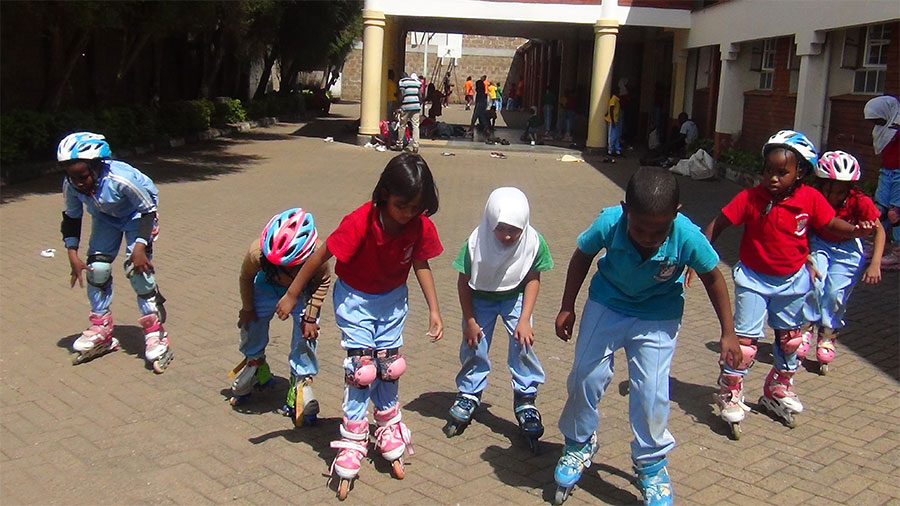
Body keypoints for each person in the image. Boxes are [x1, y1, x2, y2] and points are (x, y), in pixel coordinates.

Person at [552, 167, 738, 506]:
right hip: (607, 303)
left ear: (676, 215)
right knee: (584, 376)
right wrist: (568, 306)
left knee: (651, 392)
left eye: (659, 229)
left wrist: (729, 333)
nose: (649, 237)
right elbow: (582, 256)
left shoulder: (687, 235)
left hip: (658, 315)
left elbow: (713, 277)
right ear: (626, 211)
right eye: (640, 228)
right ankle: (579, 443)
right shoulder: (610, 222)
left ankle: (650, 462)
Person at [274, 153, 443, 500]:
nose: (408, 214)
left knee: (389, 366)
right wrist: (293, 294)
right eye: (401, 205)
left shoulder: (419, 225)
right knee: (362, 369)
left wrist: (434, 309)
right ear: (383, 193)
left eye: (416, 206)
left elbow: (420, 263)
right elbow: (321, 256)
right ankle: (352, 437)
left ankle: (387, 424)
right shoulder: (360, 222)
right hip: (355, 300)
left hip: (393, 299)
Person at [700, 131, 872, 435]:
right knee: (746, 345)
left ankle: (778, 386)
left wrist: (856, 231)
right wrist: (700, 256)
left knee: (790, 339)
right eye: (768, 170)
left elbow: (830, 223)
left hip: (792, 281)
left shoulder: (810, 198)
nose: (773, 178)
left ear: (800, 172)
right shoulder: (751, 198)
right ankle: (731, 389)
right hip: (753, 279)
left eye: (782, 172)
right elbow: (721, 222)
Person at [442, 188, 553, 454]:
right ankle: (469, 392)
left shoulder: (533, 241)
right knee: (474, 344)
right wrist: (469, 319)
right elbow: (463, 283)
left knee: (523, 343)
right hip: (480, 297)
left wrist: (524, 319)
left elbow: (533, 279)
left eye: (514, 230)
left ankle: (526, 398)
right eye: (501, 228)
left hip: (515, 297)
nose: (506, 236)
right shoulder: (474, 243)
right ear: (490, 220)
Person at [58, 132, 173, 373]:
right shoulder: (71, 184)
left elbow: (147, 211)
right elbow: (71, 216)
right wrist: (72, 254)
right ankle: (102, 328)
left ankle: (155, 332)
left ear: (96, 166)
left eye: (83, 176)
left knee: (136, 270)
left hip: (136, 217)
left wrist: (141, 246)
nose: (78, 183)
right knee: (97, 269)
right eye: (72, 177)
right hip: (105, 218)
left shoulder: (122, 179)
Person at [228, 208, 331, 429]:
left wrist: (311, 317)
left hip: (303, 292)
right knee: (251, 323)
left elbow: (322, 283)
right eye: (276, 264)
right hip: (265, 287)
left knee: (307, 332)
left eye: (290, 266)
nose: (282, 269)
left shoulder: (319, 256)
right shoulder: (257, 252)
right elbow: (245, 277)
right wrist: (247, 308)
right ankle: (255, 364)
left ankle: (300, 382)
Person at [797, 151, 885, 375]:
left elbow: (879, 230)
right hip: (819, 242)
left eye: (840, 191)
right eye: (830, 189)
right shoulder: (813, 196)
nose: (834, 196)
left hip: (848, 248)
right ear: (821, 185)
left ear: (849, 189)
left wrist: (875, 263)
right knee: (815, 282)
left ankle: (828, 334)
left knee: (835, 292)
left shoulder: (860, 201)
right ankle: (806, 327)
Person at [864, 95, 900, 267]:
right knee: (880, 210)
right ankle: (878, 244)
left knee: (896, 212)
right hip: (886, 172)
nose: (876, 123)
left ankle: (898, 252)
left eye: (878, 119)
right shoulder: (882, 129)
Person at [396, 73, 422, 153]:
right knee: (415, 126)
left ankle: (400, 144)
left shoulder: (402, 82)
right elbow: (420, 95)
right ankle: (415, 146)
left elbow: (402, 94)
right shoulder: (416, 82)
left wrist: (399, 104)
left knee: (402, 125)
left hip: (406, 106)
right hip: (416, 106)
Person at [605, 90, 622, 156]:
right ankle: (610, 150)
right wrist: (612, 120)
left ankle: (617, 149)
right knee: (611, 136)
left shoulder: (616, 99)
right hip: (612, 120)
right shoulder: (614, 99)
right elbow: (611, 109)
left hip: (615, 120)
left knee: (616, 135)